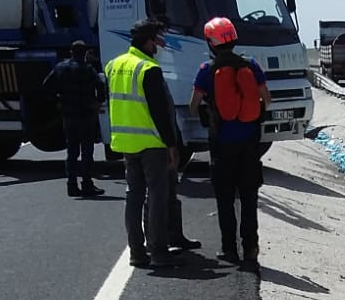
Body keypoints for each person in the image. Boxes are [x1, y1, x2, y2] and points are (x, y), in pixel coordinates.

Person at [105, 18, 201, 269]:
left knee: (133, 197)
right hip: (152, 142)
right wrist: (172, 145)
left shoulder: (113, 65)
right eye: (157, 39)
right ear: (148, 41)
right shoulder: (148, 68)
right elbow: (160, 112)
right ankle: (158, 251)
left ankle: (137, 252)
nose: (160, 44)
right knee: (157, 196)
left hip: (126, 141)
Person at [190, 16, 270, 274]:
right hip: (249, 143)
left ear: (211, 43)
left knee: (225, 198)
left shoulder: (207, 69)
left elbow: (194, 105)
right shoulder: (251, 64)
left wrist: (205, 114)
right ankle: (251, 249)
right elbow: (266, 99)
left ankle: (229, 249)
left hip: (222, 144)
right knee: (248, 197)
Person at [42, 40, 107, 198]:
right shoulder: (89, 70)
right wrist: (97, 103)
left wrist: (57, 101)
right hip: (86, 115)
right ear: (85, 53)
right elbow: (101, 89)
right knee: (87, 151)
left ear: (71, 52)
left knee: (72, 151)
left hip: (68, 114)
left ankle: (71, 185)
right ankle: (87, 184)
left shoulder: (60, 68)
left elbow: (46, 86)